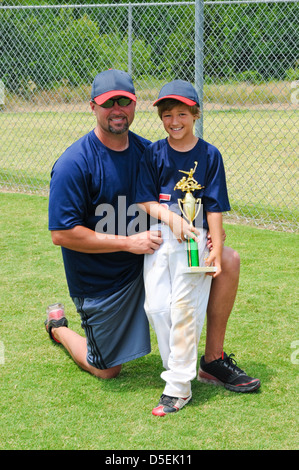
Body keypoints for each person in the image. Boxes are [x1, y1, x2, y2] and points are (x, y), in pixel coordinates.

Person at [44, 69, 260, 396]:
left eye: (125, 101)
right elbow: (62, 234)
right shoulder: (74, 163)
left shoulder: (152, 152)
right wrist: (129, 242)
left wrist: (208, 233)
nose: (117, 109)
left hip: (153, 261)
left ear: (134, 105)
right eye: (107, 103)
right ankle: (59, 330)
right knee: (106, 369)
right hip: (105, 283)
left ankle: (213, 360)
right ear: (92, 107)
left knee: (227, 260)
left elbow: (188, 198)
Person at [136, 79, 231, 415]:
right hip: (164, 234)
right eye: (167, 115)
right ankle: (181, 368)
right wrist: (172, 219)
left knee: (184, 309)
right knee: (157, 309)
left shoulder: (209, 154)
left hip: (196, 237)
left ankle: (178, 386)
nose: (174, 121)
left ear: (195, 113)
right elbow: (145, 199)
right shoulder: (154, 152)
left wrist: (216, 247)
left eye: (181, 113)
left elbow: (215, 204)